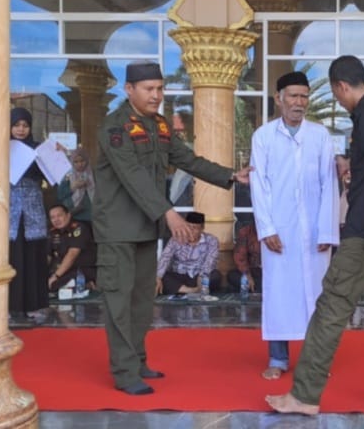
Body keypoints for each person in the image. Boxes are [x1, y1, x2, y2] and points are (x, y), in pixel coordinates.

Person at [266, 56, 364, 415]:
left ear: (341, 87)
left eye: (336, 95)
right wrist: (354, 165)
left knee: (330, 308)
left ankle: (303, 396)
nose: (337, 101)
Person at [93, 61, 251, 395]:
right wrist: (170, 213)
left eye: (160, 89)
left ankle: (137, 360)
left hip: (146, 229)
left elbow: (188, 159)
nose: (156, 96)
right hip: (119, 229)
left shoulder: (159, 126)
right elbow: (133, 176)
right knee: (119, 302)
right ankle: (124, 372)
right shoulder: (115, 127)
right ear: (129, 90)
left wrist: (229, 176)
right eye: (149, 89)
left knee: (140, 301)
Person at [250, 71, 340, 381]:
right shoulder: (263, 136)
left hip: (315, 232)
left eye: (304, 96)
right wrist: (266, 229)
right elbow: (258, 185)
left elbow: (330, 184)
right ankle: (277, 358)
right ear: (279, 98)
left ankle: (316, 360)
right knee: (279, 293)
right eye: (293, 96)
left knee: (318, 296)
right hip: (280, 231)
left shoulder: (319, 136)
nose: (299, 102)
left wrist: (328, 229)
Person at [8, 107, 50, 322]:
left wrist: (56, 155)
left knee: (32, 255)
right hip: (10, 210)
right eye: (17, 125)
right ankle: (8, 306)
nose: (21, 129)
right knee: (11, 256)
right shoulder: (0, 148)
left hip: (32, 207)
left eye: (25, 125)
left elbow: (51, 174)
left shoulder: (38, 149)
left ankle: (34, 305)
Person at [155, 211, 222, 295]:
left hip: (199, 277)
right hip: (179, 276)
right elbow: (165, 257)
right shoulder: (176, 238)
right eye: (188, 227)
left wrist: (201, 278)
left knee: (215, 276)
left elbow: (210, 262)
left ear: (202, 229)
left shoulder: (211, 240)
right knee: (160, 276)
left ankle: (183, 289)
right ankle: (193, 291)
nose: (191, 231)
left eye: (195, 228)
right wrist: (158, 277)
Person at [47, 204, 97, 293]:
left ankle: (88, 285)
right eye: (52, 217)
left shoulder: (78, 228)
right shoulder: (52, 232)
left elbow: (72, 254)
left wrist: (56, 276)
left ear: (68, 215)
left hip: (82, 270)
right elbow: (48, 256)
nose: (56, 220)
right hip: (62, 270)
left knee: (55, 285)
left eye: (59, 215)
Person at [57, 148, 95, 224]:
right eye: (76, 162)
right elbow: (60, 196)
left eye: (82, 161)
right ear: (71, 162)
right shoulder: (67, 176)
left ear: (87, 161)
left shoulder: (94, 174)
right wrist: (73, 187)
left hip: (93, 216)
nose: (80, 164)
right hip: (75, 215)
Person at [226, 217, 262, 293]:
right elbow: (240, 256)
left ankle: (256, 288)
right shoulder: (246, 231)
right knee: (232, 276)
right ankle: (255, 287)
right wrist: (247, 275)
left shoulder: (278, 232)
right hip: (253, 271)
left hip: (273, 272)